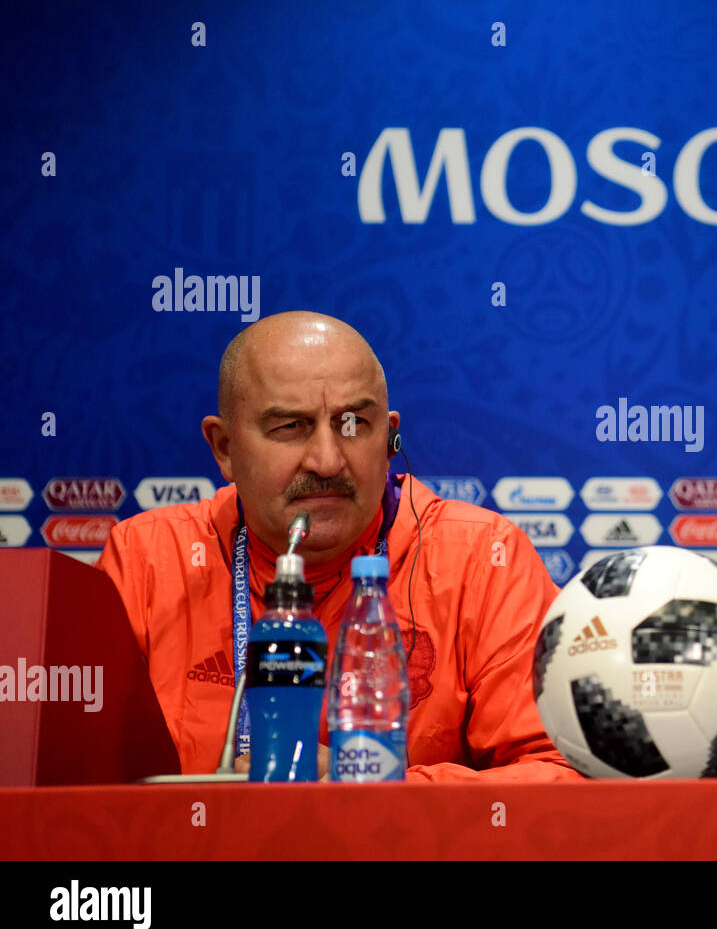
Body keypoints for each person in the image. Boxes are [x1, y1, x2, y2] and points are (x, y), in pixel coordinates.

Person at [97, 310, 581, 782]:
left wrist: (382, 797)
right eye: (290, 427)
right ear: (224, 448)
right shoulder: (147, 559)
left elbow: (557, 773)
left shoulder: (484, 559)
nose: (328, 460)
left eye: (353, 424)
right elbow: (79, 784)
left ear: (389, 437)